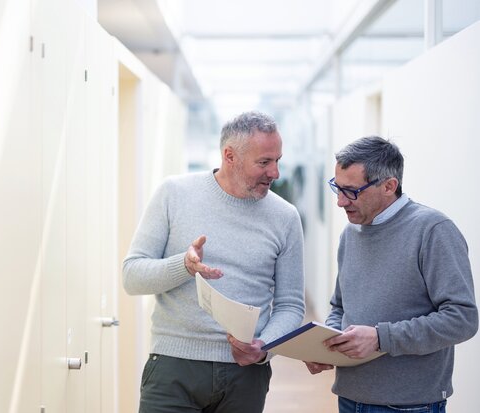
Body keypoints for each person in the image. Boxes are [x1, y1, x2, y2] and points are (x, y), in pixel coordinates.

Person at [123, 111, 305, 413]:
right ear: (229, 156)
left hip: (246, 375)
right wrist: (183, 266)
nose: (275, 173)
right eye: (264, 162)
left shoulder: (285, 218)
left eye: (278, 160)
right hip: (173, 369)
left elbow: (290, 305)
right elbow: (132, 276)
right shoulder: (174, 194)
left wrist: (264, 348)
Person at [306, 136, 478, 412]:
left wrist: (379, 338)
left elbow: (463, 319)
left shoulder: (433, 231)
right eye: (337, 188)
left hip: (409, 405)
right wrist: (328, 345)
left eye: (350, 191)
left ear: (389, 186)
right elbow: (340, 306)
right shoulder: (350, 234)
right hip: (349, 397)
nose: (340, 202)